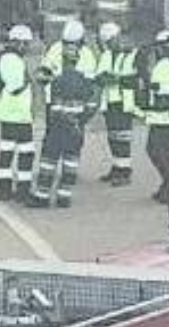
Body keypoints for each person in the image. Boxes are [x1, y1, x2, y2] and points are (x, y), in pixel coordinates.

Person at [29, 19, 98, 208]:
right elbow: (91, 95)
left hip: (58, 118)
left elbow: (43, 77)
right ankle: (64, 196)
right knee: (72, 158)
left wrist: (43, 77)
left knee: (49, 158)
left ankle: (42, 195)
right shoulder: (83, 59)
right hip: (77, 119)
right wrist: (82, 119)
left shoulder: (61, 77)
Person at [0, 24, 35, 203]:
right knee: (26, 151)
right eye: (26, 43)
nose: (28, 47)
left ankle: (5, 189)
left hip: (9, 113)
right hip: (18, 113)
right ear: (19, 43)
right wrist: (29, 81)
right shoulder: (13, 60)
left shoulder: (5, 58)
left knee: (7, 149)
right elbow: (16, 87)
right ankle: (23, 190)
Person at [95, 22, 141, 187]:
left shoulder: (133, 55)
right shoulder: (106, 55)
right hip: (110, 101)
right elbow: (99, 76)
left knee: (123, 137)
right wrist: (109, 78)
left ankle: (125, 171)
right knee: (113, 136)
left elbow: (135, 79)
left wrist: (117, 79)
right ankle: (117, 166)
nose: (111, 44)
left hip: (124, 102)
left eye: (113, 40)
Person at [142, 29, 169, 203]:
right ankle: (168, 182)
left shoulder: (168, 66)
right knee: (153, 150)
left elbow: (166, 95)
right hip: (158, 116)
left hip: (165, 117)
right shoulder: (164, 64)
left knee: (163, 152)